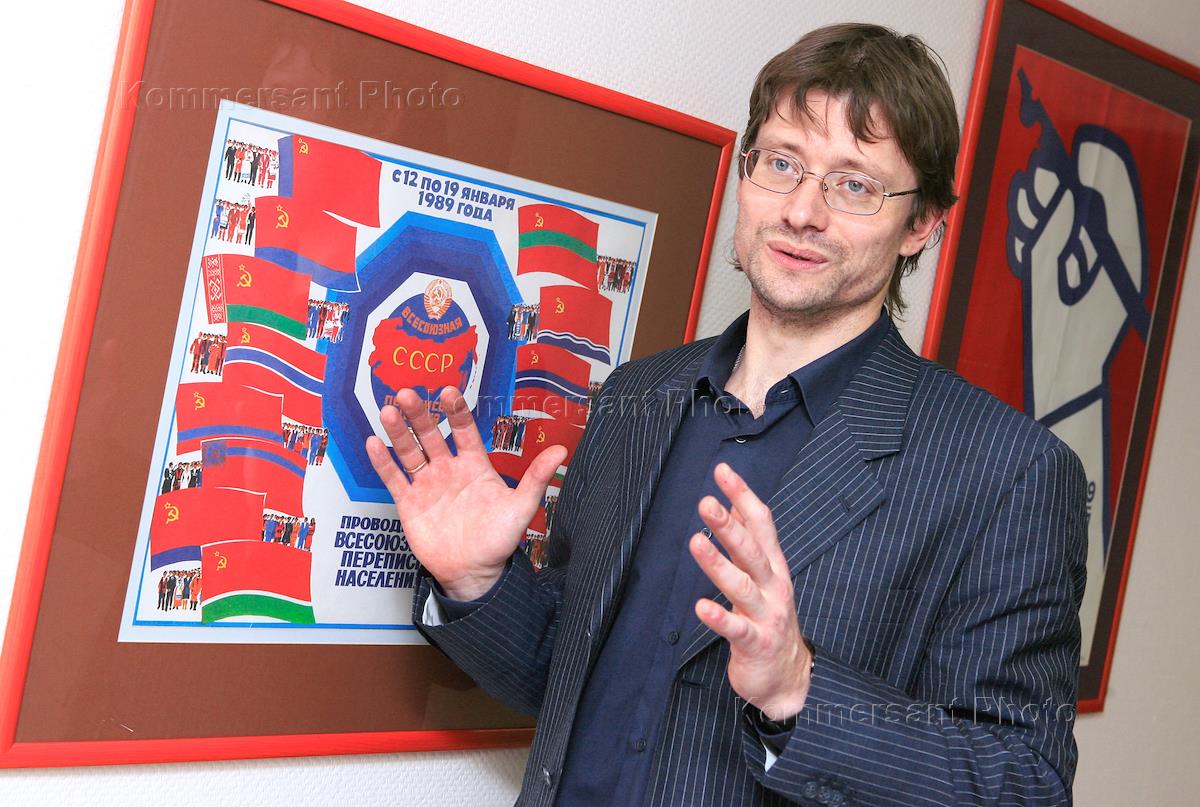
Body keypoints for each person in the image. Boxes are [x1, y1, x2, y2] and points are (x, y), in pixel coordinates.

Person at [367, 23, 1086, 806]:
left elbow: (1027, 783)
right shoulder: (635, 398)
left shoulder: (1009, 472)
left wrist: (799, 689)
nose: (803, 211)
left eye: (854, 185)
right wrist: (477, 580)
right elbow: (568, 679)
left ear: (923, 223)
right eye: (782, 163)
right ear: (747, 173)